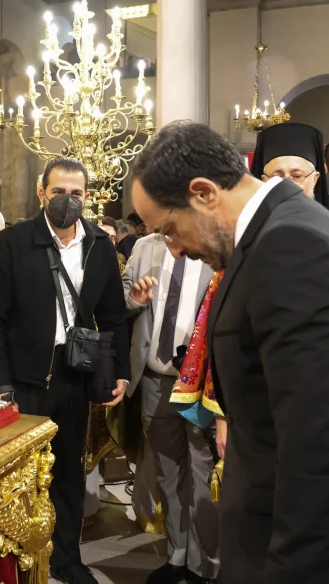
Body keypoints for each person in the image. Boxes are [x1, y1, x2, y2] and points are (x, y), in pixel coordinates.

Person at [130, 120, 329, 584]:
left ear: (204, 193)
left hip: (326, 557)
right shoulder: (277, 233)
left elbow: (321, 454)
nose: (174, 250)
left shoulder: (292, 248)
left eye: (170, 230)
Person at [0, 156, 129, 584]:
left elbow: (113, 315)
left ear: (88, 197)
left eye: (76, 193)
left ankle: (66, 559)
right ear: (41, 193)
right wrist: (0, 382)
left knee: (68, 473)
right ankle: (18, 563)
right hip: (23, 381)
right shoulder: (15, 241)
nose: (68, 199)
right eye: (59, 192)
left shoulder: (99, 244)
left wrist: (119, 371)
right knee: (20, 478)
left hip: (73, 377)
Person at [123, 232, 218, 584]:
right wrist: (133, 300)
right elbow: (120, 299)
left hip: (201, 383)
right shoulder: (145, 246)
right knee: (168, 471)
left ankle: (204, 565)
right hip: (154, 378)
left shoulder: (216, 246)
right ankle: (177, 555)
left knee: (203, 474)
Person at [251, 123, 329, 262]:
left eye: (297, 176)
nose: (287, 185)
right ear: (264, 180)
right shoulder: (248, 231)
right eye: (277, 176)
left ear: (315, 179)